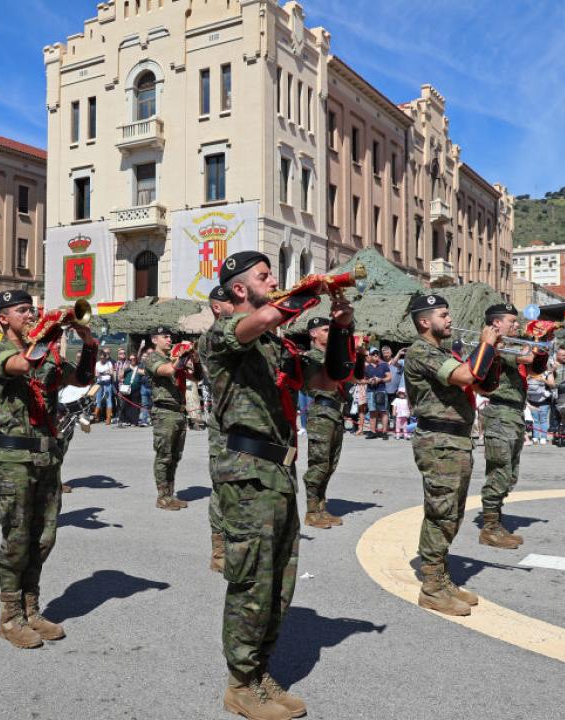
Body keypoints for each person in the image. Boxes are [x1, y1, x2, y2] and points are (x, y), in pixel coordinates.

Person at [203, 251, 355, 720]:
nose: (276, 281)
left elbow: (331, 379)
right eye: (265, 276)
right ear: (240, 290)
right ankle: (240, 684)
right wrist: (303, 295)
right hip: (246, 474)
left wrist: (342, 325)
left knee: (278, 582)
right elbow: (259, 321)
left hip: (279, 473)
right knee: (251, 580)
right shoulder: (222, 337)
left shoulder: (277, 346)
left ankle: (260, 672)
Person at [0, 289, 99, 648]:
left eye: (33, 310)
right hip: (15, 460)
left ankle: (32, 609)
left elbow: (82, 379)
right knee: (16, 539)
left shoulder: (47, 358)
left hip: (48, 457)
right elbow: (22, 365)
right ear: (4, 318)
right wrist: (47, 333)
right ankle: (10, 616)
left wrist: (88, 341)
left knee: (44, 538)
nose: (30, 315)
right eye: (22, 310)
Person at [404, 292, 500, 617]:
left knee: (453, 513)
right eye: (443, 315)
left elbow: (482, 386)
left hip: (456, 439)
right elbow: (464, 377)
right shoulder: (421, 351)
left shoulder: (443, 351)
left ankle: (442, 579)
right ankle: (431, 588)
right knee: (441, 512)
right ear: (424, 321)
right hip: (439, 440)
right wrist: (485, 344)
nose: (449, 319)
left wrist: (491, 351)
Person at [479, 303, 548, 550]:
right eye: (512, 320)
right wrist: (536, 341)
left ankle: (496, 521)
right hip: (500, 414)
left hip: (514, 414)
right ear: (497, 324)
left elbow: (535, 367)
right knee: (499, 472)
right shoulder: (497, 344)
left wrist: (544, 343)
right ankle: (489, 528)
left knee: (509, 474)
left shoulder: (508, 344)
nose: (516, 325)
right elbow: (528, 358)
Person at [301, 315, 361, 530]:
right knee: (318, 464)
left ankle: (321, 507)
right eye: (326, 330)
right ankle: (310, 511)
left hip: (336, 413)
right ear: (313, 333)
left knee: (330, 465)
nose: (329, 333)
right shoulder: (311, 357)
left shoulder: (332, 356)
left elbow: (354, 377)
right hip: (321, 413)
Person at [142, 326, 200, 510]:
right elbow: (166, 370)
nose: (169, 339)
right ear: (154, 339)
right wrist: (182, 356)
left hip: (179, 411)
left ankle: (170, 494)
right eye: (165, 336)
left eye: (170, 337)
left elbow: (196, 377)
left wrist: (195, 360)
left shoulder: (173, 358)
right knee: (164, 456)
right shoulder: (152, 357)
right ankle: (162, 496)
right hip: (164, 412)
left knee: (175, 456)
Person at [199, 285, 233, 573]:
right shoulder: (213, 337)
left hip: (244, 426)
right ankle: (219, 550)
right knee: (222, 487)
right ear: (217, 308)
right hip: (223, 425)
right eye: (229, 301)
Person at [526, 366, 554, 445]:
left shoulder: (547, 372)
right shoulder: (529, 371)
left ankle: (541, 438)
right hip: (532, 399)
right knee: (537, 419)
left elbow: (552, 385)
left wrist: (544, 380)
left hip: (543, 400)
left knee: (542, 419)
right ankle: (537, 438)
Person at [93, 350, 115, 425]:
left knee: (108, 400)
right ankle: (96, 416)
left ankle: (108, 418)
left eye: (103, 358)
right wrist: (103, 373)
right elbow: (96, 374)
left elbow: (111, 373)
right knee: (98, 400)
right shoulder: (97, 364)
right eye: (101, 358)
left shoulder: (109, 363)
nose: (102, 359)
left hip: (107, 383)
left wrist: (104, 373)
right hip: (99, 383)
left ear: (106, 357)